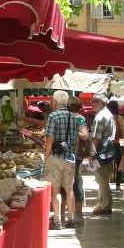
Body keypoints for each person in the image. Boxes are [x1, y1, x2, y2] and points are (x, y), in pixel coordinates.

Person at [44, 90, 86, 230]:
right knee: (69, 190)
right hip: (70, 157)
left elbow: (50, 137)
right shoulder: (75, 117)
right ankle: (70, 218)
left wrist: (46, 155)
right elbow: (78, 138)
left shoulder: (53, 116)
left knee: (55, 191)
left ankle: (57, 220)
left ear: (54, 102)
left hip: (56, 157)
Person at [64, 96, 90, 224]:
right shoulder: (70, 117)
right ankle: (69, 215)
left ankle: (78, 215)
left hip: (74, 155)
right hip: (67, 154)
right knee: (70, 184)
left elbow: (85, 136)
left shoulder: (78, 118)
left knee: (74, 184)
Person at [90, 95, 116, 215]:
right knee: (103, 180)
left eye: (94, 101)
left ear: (101, 102)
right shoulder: (109, 115)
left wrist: (91, 154)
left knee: (102, 180)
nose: (92, 104)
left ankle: (105, 206)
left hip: (101, 153)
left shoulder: (100, 117)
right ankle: (102, 204)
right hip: (109, 152)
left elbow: (96, 139)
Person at [108, 99, 124, 192]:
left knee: (107, 165)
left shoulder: (106, 118)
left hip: (107, 145)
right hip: (117, 145)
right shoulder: (120, 119)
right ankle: (118, 185)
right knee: (119, 164)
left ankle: (106, 184)